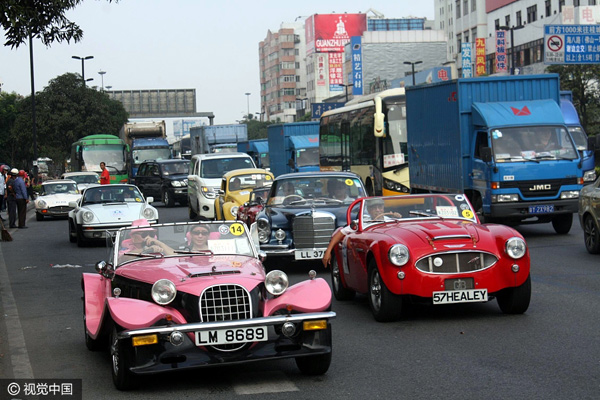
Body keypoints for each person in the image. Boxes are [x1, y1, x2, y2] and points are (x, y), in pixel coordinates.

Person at [322, 198, 401, 268]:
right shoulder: (361, 222)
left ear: (383, 209)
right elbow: (341, 233)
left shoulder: (391, 221)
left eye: (380, 207)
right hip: (367, 254)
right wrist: (328, 251)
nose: (377, 210)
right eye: (374, 208)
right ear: (369, 210)